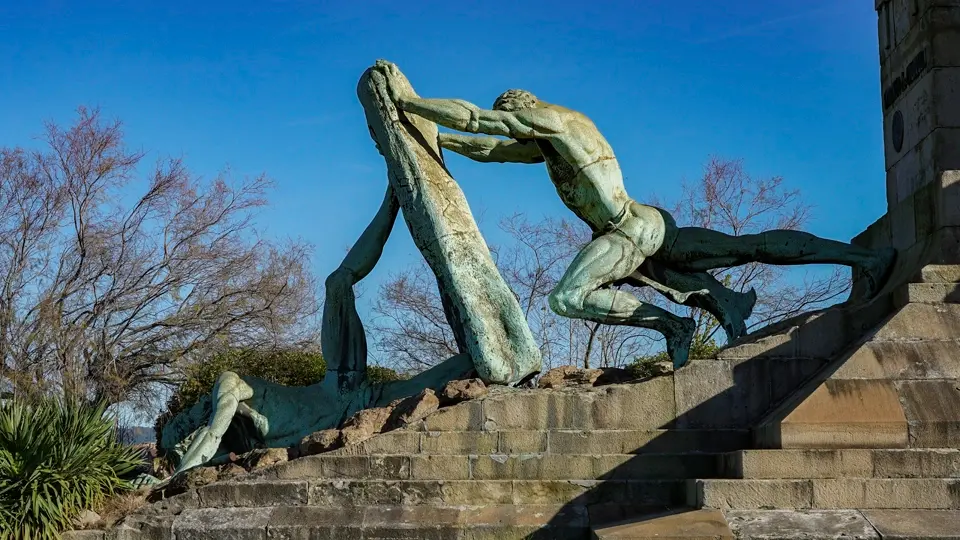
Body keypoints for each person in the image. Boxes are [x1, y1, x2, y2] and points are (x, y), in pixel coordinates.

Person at [378, 62, 894, 368]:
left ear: (524, 109)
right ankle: (859, 259)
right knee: (749, 245)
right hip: (652, 225)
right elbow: (489, 149)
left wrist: (411, 103)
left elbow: (477, 119)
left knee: (567, 298)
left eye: (515, 121)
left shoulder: (552, 119)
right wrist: (434, 140)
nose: (515, 132)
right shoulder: (549, 145)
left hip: (630, 229)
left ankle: (673, 327)